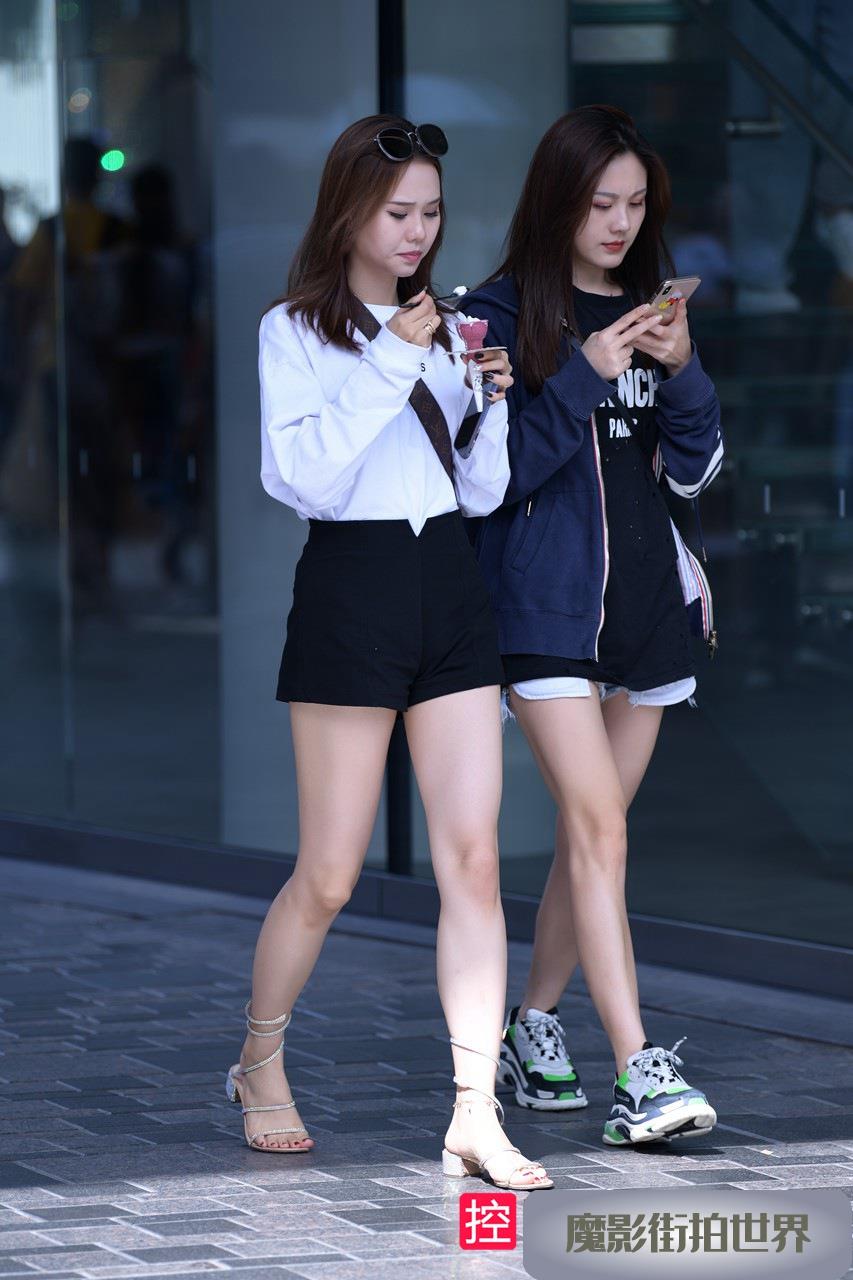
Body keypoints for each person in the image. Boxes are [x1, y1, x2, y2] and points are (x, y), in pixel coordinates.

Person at [229, 115, 552, 1190]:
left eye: (430, 213)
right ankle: (258, 1061)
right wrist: (393, 357)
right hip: (352, 588)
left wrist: (489, 405)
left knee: (473, 859)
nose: (417, 232)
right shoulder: (294, 330)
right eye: (396, 212)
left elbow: (481, 492)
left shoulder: (452, 328)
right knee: (329, 872)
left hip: (449, 587)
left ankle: (474, 1110)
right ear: (347, 213)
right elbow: (306, 481)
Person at [462, 105, 723, 1146]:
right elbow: (493, 477)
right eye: (600, 202)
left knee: (594, 834)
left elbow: (693, 470)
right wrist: (584, 374)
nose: (619, 223)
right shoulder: (496, 314)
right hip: (544, 607)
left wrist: (684, 364)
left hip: (646, 610)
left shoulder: (653, 312)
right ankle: (637, 1072)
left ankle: (532, 1023)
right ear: (557, 200)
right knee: (599, 827)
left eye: (635, 203)